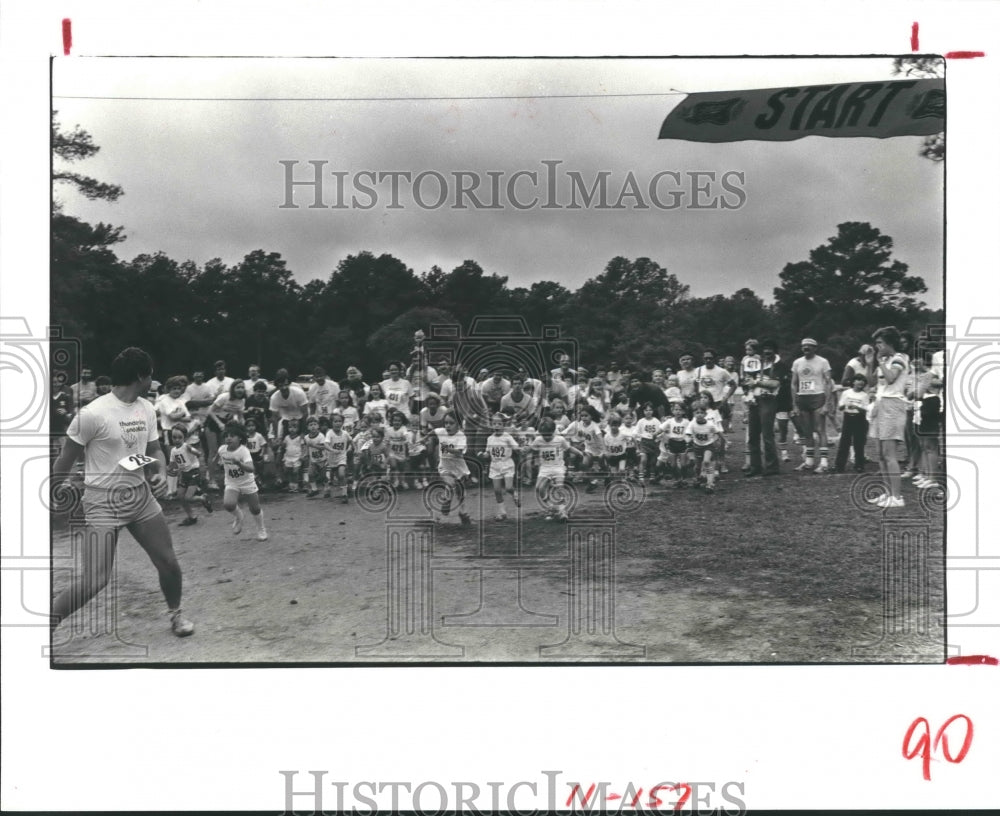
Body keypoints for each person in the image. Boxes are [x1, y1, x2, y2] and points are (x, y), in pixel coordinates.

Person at [51, 347, 195, 638]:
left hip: (140, 497)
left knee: (168, 563)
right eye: (151, 375)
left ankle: (175, 615)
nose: (153, 380)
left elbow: (153, 450)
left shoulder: (146, 408)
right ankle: (46, 623)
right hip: (101, 502)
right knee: (95, 580)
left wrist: (160, 471)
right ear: (141, 375)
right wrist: (54, 491)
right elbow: (66, 459)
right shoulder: (92, 414)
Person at [868, 326, 909, 508]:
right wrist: (872, 362)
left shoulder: (900, 358)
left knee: (889, 455)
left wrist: (880, 362)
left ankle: (897, 497)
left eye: (880, 343)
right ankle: (888, 493)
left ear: (889, 342)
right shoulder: (884, 360)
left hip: (893, 405)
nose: (877, 346)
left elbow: (891, 378)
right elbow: (871, 382)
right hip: (880, 404)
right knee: (881, 455)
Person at [743, 339, 788, 477]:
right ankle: (755, 466)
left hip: (768, 400)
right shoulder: (758, 363)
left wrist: (756, 382)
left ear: (775, 351)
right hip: (755, 400)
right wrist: (748, 390)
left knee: (767, 435)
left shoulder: (779, 365)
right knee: (752, 435)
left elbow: (775, 384)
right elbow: (747, 379)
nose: (767, 352)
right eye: (765, 350)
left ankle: (772, 467)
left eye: (770, 350)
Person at [216, 422, 268, 540]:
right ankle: (239, 516)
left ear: (240, 437)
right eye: (226, 436)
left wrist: (239, 463)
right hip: (232, 482)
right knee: (228, 504)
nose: (228, 438)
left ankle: (261, 529)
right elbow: (219, 459)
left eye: (232, 435)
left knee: (255, 508)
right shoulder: (222, 450)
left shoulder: (243, 451)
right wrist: (218, 464)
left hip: (247, 482)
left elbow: (251, 468)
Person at [790, 338, 833, 473]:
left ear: (815, 348)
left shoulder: (823, 361)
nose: (806, 348)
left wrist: (827, 403)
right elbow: (794, 384)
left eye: (809, 346)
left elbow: (828, 382)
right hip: (803, 398)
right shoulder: (797, 362)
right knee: (806, 431)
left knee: (820, 430)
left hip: (817, 396)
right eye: (804, 346)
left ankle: (824, 463)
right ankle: (809, 461)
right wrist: (794, 404)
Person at [528, 416, 582, 521]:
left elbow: (569, 448)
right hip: (545, 468)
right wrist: (534, 460)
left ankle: (562, 511)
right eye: (544, 435)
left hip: (558, 467)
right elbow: (533, 449)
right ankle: (551, 507)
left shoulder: (560, 439)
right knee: (539, 488)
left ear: (553, 431)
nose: (546, 437)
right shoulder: (538, 440)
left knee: (559, 487)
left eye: (548, 435)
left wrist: (579, 453)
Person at [431, 413, 472, 525]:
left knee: (460, 492)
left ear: (458, 425)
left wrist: (447, 448)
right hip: (445, 466)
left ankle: (463, 512)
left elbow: (459, 452)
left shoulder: (461, 436)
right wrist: (423, 439)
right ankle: (445, 503)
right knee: (450, 483)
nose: (448, 425)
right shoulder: (442, 432)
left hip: (459, 468)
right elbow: (433, 431)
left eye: (451, 423)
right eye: (446, 423)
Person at [167, 424, 213, 525]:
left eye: (180, 437)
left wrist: (192, 450)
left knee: (188, 497)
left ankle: (202, 498)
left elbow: (199, 454)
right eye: (174, 437)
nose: (177, 440)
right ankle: (191, 516)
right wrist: (169, 469)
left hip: (193, 473)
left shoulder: (186, 447)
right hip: (184, 474)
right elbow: (172, 464)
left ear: (184, 438)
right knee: (180, 496)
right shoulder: (173, 451)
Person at [480, 413, 522, 520]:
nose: (496, 426)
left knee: (508, 488)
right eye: (494, 424)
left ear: (504, 425)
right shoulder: (489, 438)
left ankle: (514, 494)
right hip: (495, 466)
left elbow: (516, 447)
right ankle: (502, 512)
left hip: (507, 464)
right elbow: (488, 453)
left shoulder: (507, 437)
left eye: (499, 424)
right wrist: (483, 455)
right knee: (497, 490)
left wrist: (521, 449)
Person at [833, 374, 871, 473]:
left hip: (859, 419)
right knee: (844, 442)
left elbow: (865, 409)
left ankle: (859, 465)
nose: (861, 382)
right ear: (853, 382)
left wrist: (856, 407)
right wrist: (846, 404)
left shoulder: (864, 395)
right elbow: (840, 407)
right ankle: (839, 465)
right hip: (848, 417)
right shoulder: (846, 393)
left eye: (863, 381)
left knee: (859, 442)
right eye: (858, 380)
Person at [685, 402, 724, 494]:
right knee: (698, 466)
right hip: (697, 446)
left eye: (701, 413)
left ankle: (710, 484)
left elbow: (718, 433)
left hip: (708, 446)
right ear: (694, 414)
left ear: (705, 414)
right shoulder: (692, 424)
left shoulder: (710, 424)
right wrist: (688, 440)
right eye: (697, 413)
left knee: (706, 462)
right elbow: (687, 434)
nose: (699, 415)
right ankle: (698, 478)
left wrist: (720, 440)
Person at [268, 369, 309, 442]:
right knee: (284, 444)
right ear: (277, 386)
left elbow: (305, 414)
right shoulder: (274, 397)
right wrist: (276, 436)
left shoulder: (299, 393)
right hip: (286, 421)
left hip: (301, 419)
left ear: (289, 383)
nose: (284, 388)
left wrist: (303, 432)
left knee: (302, 444)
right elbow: (274, 418)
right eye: (281, 385)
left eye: (286, 385)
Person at [324, 413, 353, 503]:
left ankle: (344, 495)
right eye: (335, 421)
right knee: (330, 478)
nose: (338, 423)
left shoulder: (345, 433)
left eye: (340, 421)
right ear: (331, 423)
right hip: (331, 459)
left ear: (342, 423)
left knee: (341, 474)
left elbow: (351, 441)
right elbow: (325, 444)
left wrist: (350, 448)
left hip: (341, 457)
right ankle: (328, 489)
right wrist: (331, 450)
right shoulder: (330, 433)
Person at [302, 416, 330, 497]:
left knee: (323, 476)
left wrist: (313, 445)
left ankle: (327, 489)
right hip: (313, 460)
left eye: (315, 424)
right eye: (311, 425)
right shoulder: (306, 437)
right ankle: (314, 489)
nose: (313, 426)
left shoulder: (321, 436)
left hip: (322, 459)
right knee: (310, 474)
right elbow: (306, 447)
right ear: (307, 427)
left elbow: (323, 447)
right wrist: (305, 454)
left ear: (318, 426)